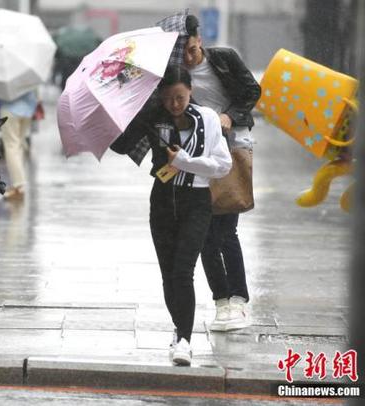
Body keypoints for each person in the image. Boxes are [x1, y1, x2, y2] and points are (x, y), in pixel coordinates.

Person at [110, 66, 232, 365]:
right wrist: (132, 111)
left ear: (190, 91)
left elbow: (222, 165)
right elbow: (120, 145)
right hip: (163, 200)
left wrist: (185, 162)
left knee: (183, 271)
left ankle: (185, 341)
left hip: (196, 202)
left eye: (179, 96)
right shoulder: (154, 116)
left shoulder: (208, 119)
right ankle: (180, 331)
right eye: (168, 99)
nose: (175, 104)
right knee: (168, 274)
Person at [158, 13, 261, 331]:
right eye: (181, 53)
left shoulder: (224, 58)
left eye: (190, 49)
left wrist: (230, 115)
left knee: (225, 230)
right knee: (204, 235)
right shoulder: (174, 75)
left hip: (233, 148)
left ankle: (239, 300)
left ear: (198, 40)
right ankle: (221, 302)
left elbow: (251, 91)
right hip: (196, 156)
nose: (187, 58)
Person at [0, 90, 38, 200]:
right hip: (28, 108)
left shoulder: (4, 73)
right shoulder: (28, 72)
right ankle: (19, 184)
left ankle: (18, 185)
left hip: (10, 108)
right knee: (18, 145)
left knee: (11, 146)